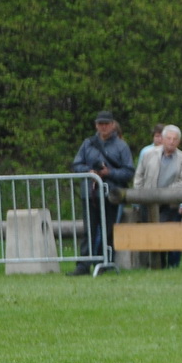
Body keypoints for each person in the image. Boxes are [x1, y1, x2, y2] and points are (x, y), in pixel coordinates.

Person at [71, 111, 134, 274]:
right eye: (100, 124)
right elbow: (76, 165)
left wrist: (109, 173)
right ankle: (83, 265)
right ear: (96, 125)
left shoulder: (121, 146)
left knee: (108, 231)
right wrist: (89, 171)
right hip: (89, 195)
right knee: (89, 230)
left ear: (113, 125)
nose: (103, 127)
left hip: (110, 195)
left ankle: (106, 262)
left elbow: (128, 171)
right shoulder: (88, 144)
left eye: (106, 124)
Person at [133, 124, 182, 268]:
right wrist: (139, 195)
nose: (171, 141)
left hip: (171, 202)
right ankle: (152, 265)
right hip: (148, 201)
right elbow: (139, 176)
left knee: (168, 234)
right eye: (169, 138)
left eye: (175, 139)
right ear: (163, 139)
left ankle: (168, 265)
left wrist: (165, 193)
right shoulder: (148, 154)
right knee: (150, 233)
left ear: (179, 141)